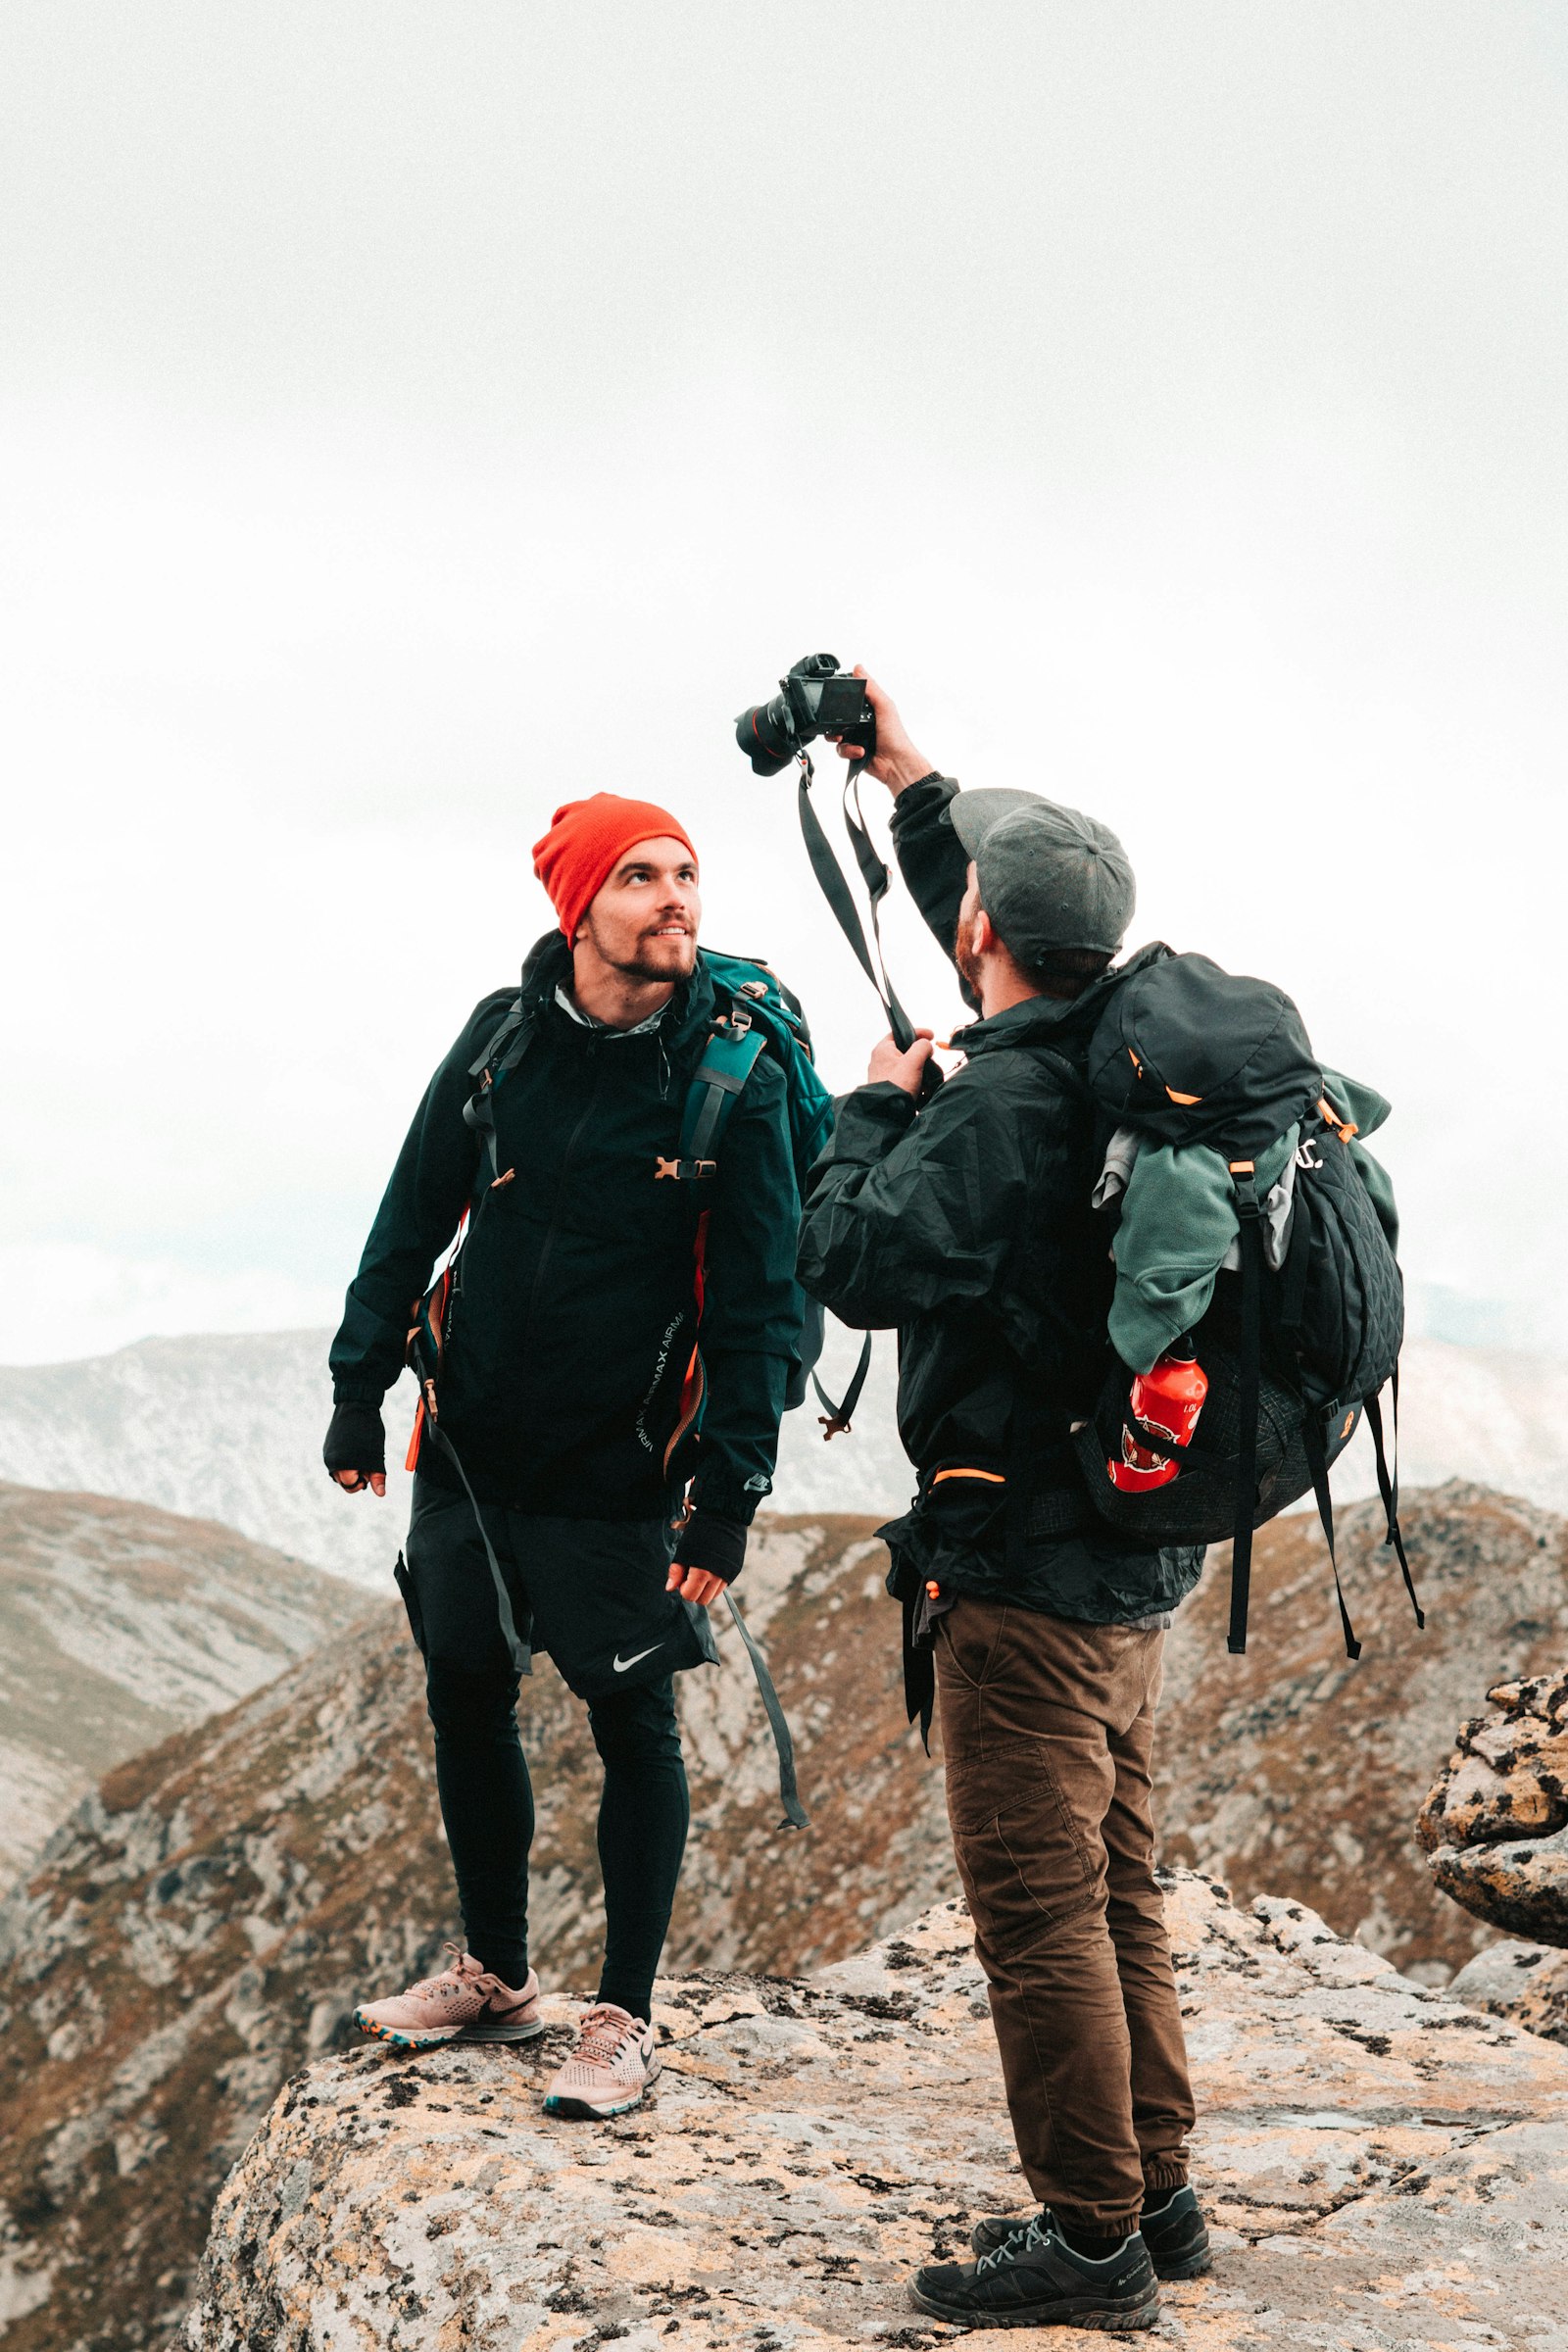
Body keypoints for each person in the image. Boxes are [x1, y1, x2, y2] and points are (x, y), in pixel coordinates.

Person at [797, 676, 1209, 2331]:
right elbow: (999, 893)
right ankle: (1156, 2198)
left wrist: (872, 1107)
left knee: (1038, 1919)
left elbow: (852, 1261)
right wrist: (906, 773)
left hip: (1023, 1576)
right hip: (1133, 1557)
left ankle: (1092, 2246)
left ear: (981, 928)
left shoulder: (997, 1103)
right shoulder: (1123, 1064)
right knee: (1118, 1889)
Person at [324, 793, 803, 2120]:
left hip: (620, 1466)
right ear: (578, 903)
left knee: (631, 1721)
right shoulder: (499, 1046)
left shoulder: (732, 1075)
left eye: (688, 874)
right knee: (464, 1684)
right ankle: (496, 1972)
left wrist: (728, 1498)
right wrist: (358, 1386)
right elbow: (411, 1211)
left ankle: (625, 2018)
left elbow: (762, 1308)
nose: (677, 898)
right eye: (644, 875)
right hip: (470, 1449)